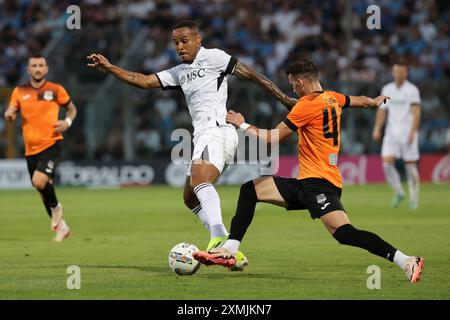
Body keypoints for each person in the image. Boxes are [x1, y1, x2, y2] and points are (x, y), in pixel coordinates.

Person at [87, 20, 296, 270]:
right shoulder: (179, 72)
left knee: (199, 181)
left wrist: (284, 99)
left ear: (198, 39)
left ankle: (218, 239)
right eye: (176, 43)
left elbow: (251, 75)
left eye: (184, 41)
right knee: (189, 197)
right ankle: (230, 251)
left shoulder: (215, 58)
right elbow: (142, 81)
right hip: (203, 136)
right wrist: (110, 67)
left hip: (217, 132)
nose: (180, 47)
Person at [193, 58, 425, 283]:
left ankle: (406, 260)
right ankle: (230, 249)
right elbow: (361, 101)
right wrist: (375, 101)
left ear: (301, 82)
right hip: (308, 182)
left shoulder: (306, 106)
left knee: (345, 233)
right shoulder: (333, 98)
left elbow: (271, 138)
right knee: (250, 190)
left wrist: (241, 123)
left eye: (294, 85)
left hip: (319, 184)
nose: (293, 90)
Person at [4, 54, 77, 242]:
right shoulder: (19, 91)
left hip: (52, 144)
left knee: (39, 182)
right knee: (42, 190)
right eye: (34, 65)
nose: (37, 68)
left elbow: (72, 109)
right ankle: (62, 227)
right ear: (28, 70)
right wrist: (9, 115)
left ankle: (56, 208)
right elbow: (11, 112)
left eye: (41, 65)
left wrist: (67, 122)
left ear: (46, 69)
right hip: (31, 150)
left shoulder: (56, 89)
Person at [373, 61, 421, 209]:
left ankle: (414, 199)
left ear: (406, 72)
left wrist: (413, 131)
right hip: (391, 133)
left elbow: (416, 112)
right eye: (396, 71)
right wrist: (377, 128)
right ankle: (399, 192)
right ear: (393, 72)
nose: (398, 74)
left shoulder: (412, 90)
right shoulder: (387, 89)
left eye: (401, 71)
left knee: (410, 166)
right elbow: (382, 111)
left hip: (407, 132)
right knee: (387, 164)